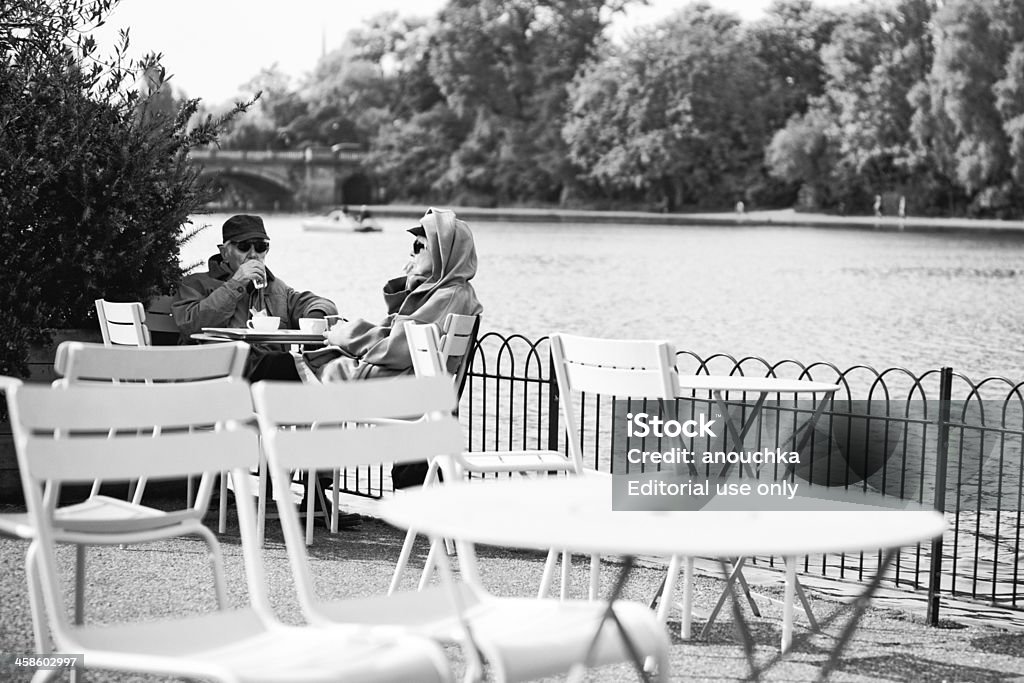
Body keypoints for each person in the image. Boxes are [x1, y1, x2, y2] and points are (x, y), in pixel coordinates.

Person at [303, 207, 483, 487]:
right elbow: (397, 330)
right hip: (418, 391)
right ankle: (315, 487)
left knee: (315, 371)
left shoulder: (447, 296)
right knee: (318, 371)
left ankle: (312, 488)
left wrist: (342, 335)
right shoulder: (449, 291)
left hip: (400, 393)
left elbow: (393, 349)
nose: (412, 254)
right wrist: (411, 284)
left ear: (441, 254)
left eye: (419, 246)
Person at [172, 214, 338, 381]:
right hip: (217, 372)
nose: (253, 254)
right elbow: (190, 324)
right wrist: (236, 283)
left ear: (267, 251)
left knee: (337, 359)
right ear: (225, 253)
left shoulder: (277, 288)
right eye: (244, 247)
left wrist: (315, 318)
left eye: (260, 247)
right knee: (291, 365)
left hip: (270, 376)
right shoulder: (196, 284)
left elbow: (319, 303)